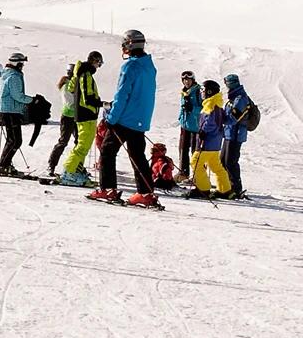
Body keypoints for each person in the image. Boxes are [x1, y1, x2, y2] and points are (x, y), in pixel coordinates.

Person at [88, 29, 161, 206]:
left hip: (124, 118)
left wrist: (111, 118)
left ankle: (107, 189)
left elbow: (122, 95)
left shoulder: (130, 66)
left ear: (129, 45)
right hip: (140, 119)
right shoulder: (149, 66)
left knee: (107, 150)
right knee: (137, 155)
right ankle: (145, 193)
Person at [48, 52, 103, 181]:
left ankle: (76, 169)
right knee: (66, 142)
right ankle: (62, 169)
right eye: (99, 63)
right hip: (72, 116)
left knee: (80, 144)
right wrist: (97, 103)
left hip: (79, 115)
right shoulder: (79, 78)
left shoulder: (80, 77)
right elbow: (80, 99)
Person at [186, 79, 234, 198]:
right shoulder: (217, 103)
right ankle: (224, 189)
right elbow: (224, 119)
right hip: (215, 143)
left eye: (203, 90)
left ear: (209, 92)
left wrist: (203, 131)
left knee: (195, 162)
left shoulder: (210, 104)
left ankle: (203, 189)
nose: (201, 93)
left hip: (206, 142)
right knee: (216, 166)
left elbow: (210, 122)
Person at [0, 52, 33, 173]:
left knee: (13, 139)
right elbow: (17, 96)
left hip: (9, 110)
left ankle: (5, 164)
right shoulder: (14, 76)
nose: (23, 66)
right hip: (10, 110)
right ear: (17, 63)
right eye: (22, 63)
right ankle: (3, 165)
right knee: (15, 140)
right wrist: (32, 100)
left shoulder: (9, 74)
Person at [220, 71, 257, 198]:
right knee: (222, 160)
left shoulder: (240, 98)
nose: (226, 86)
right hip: (229, 133)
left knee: (230, 161)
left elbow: (234, 118)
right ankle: (226, 185)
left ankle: (235, 187)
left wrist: (220, 118)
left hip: (235, 134)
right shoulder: (234, 97)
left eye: (227, 83)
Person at [175, 69, 201, 180]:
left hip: (196, 126)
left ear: (193, 80)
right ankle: (183, 173)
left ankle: (198, 175)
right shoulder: (184, 92)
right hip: (185, 124)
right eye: (184, 80)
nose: (186, 82)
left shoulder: (198, 91)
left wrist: (193, 109)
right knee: (183, 149)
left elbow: (204, 108)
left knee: (195, 151)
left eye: (188, 79)